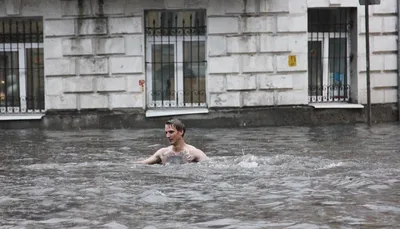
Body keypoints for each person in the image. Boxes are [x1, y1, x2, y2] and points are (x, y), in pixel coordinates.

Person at [137, 118, 209, 165]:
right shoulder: (162, 153)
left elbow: (210, 166)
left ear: (181, 132)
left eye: (171, 132)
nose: (167, 136)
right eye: (166, 133)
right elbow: (142, 164)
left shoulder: (194, 153)